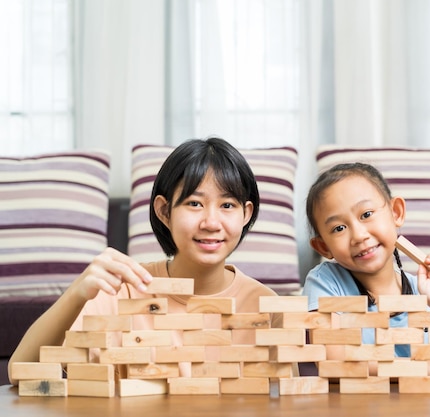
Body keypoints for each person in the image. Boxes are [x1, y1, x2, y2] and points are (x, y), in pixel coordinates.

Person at [8, 137, 279, 385]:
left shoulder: (267, 306)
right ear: (164, 211)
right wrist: (77, 293)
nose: (211, 222)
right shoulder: (121, 291)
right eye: (194, 204)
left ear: (246, 214)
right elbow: (21, 372)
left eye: (227, 206)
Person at [302, 162, 430, 372]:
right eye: (339, 228)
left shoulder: (427, 291)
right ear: (323, 246)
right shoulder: (325, 282)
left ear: (396, 213)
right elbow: (334, 363)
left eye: (366, 214)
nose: (359, 235)